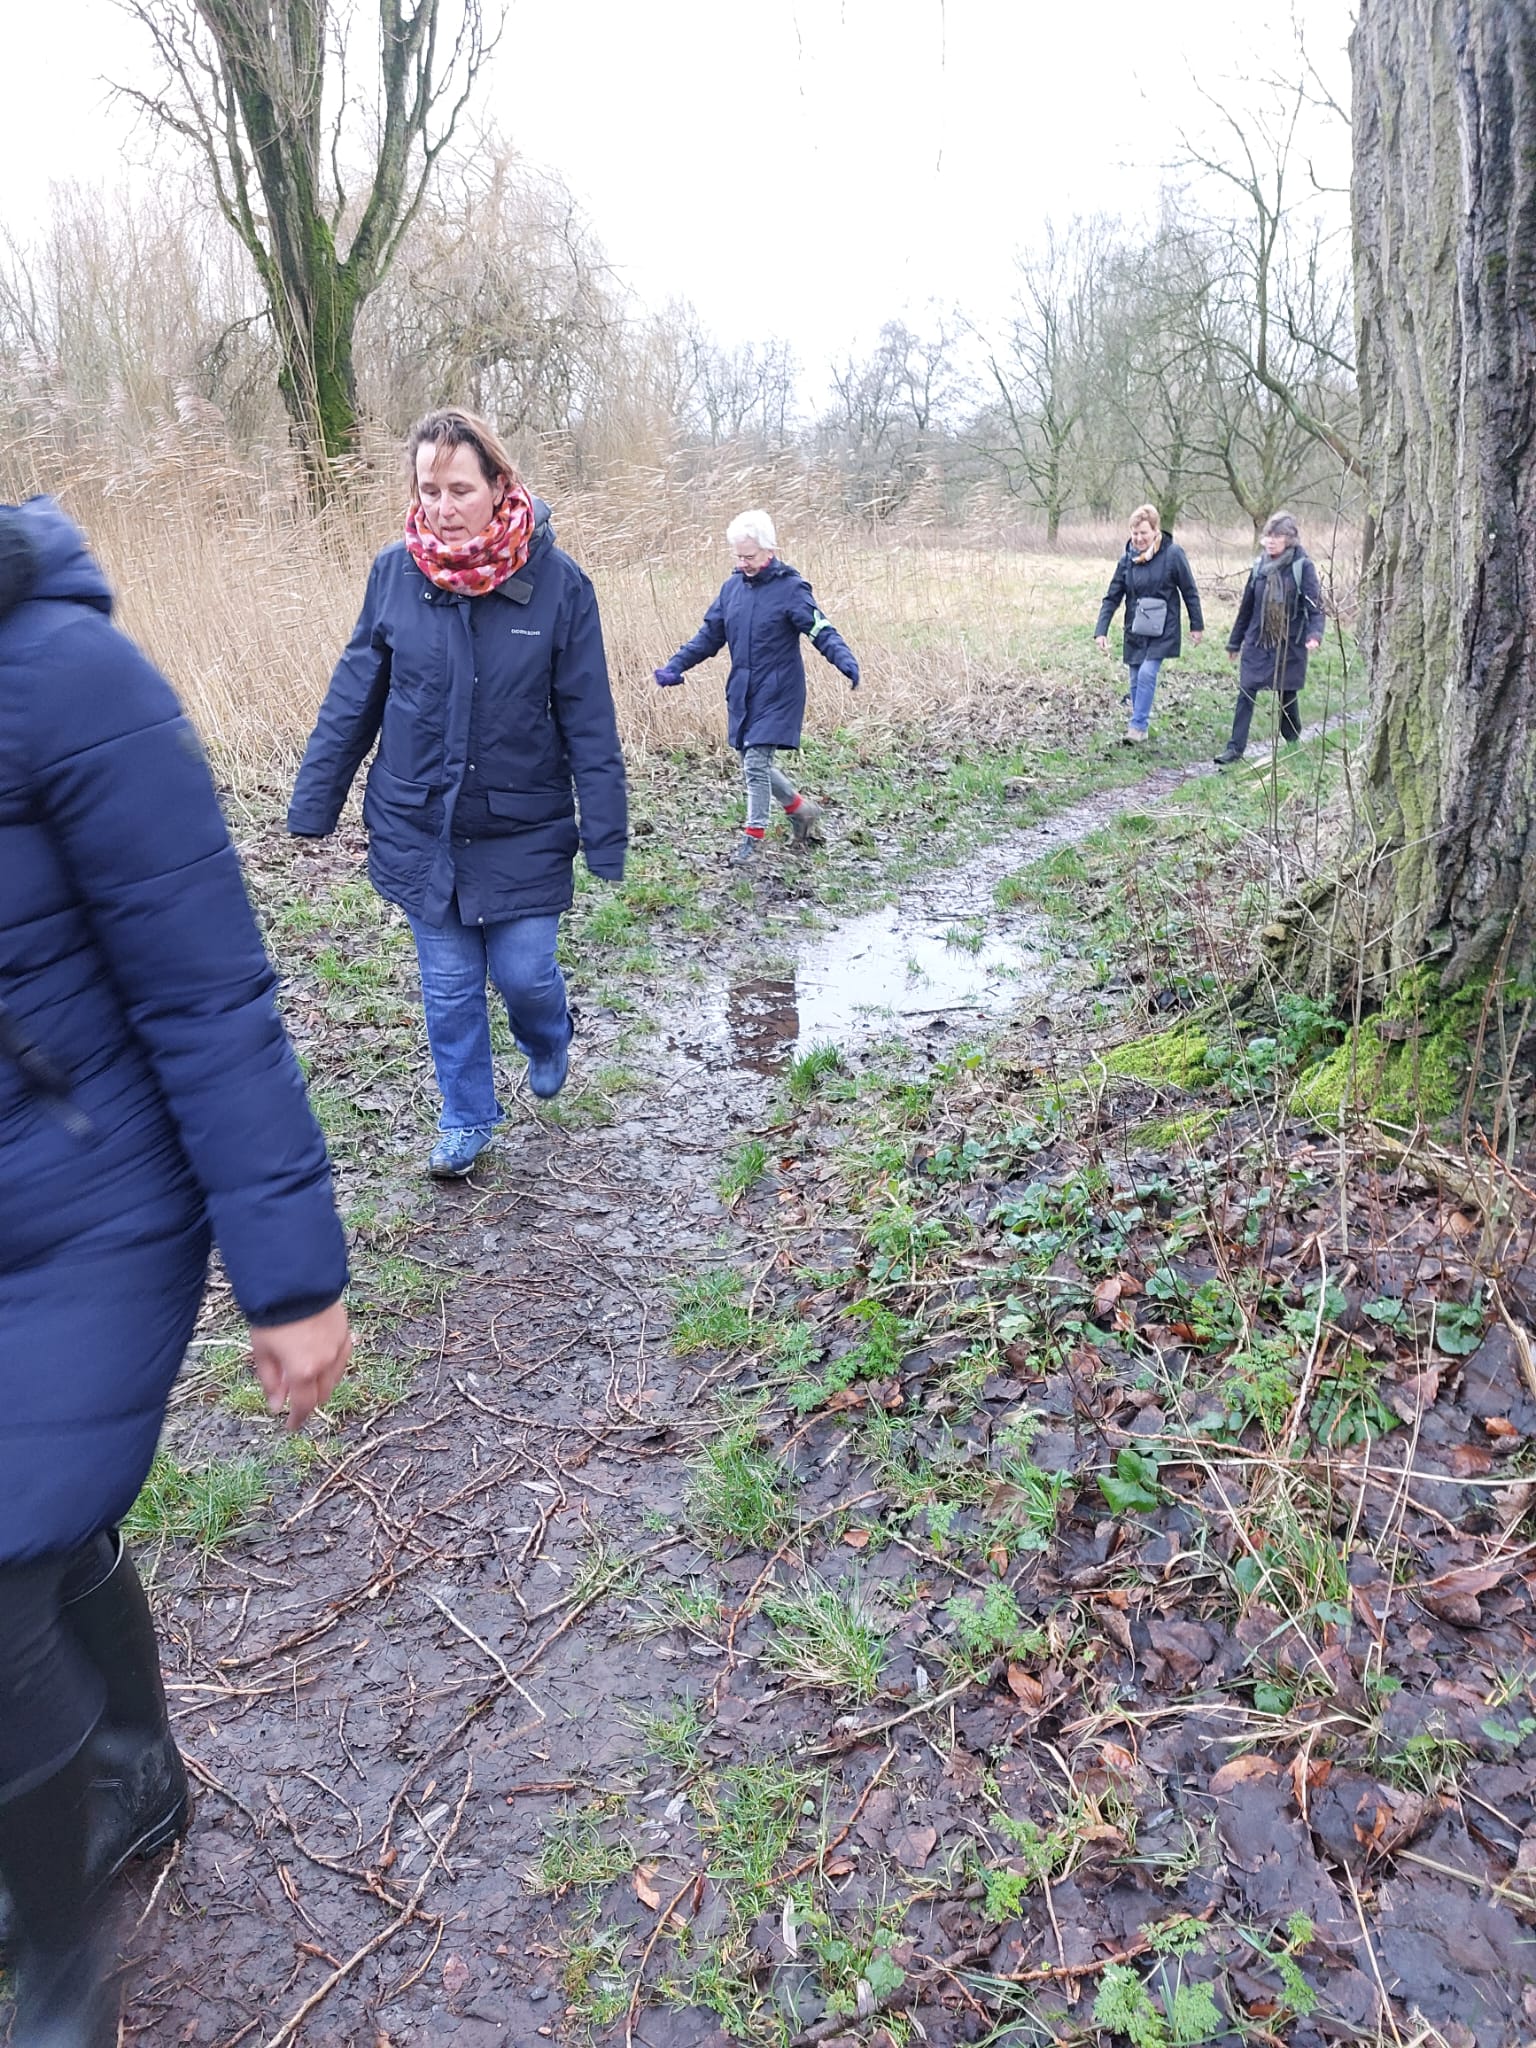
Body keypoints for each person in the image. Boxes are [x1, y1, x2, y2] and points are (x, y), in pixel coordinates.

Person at [0, 497, 352, 2046]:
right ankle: (134, 1775)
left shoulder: (72, 679)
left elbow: (211, 995)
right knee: (44, 1530)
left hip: (93, 1199)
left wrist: (291, 1281)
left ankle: (61, 1967)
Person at [289, 408, 628, 1180]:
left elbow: (589, 719)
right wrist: (316, 802)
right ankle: (466, 1117)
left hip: (523, 825)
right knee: (447, 990)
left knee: (524, 973)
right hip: (420, 825)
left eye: (459, 489)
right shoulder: (395, 573)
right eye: (428, 489)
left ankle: (547, 1033)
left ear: (499, 483)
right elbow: (354, 696)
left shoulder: (559, 586)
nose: (441, 507)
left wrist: (605, 833)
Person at [653, 510, 860, 864]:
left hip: (780, 690)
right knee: (752, 761)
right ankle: (801, 809)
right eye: (738, 556)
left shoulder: (791, 589)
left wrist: (845, 661)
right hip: (743, 688)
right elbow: (709, 636)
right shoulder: (731, 589)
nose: (743, 563)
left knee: (755, 763)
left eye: (749, 556)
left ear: (769, 550)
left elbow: (820, 630)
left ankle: (754, 837)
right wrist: (676, 665)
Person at [1214, 511, 1325, 765]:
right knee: (1246, 690)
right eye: (1268, 536)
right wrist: (1234, 641)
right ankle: (1234, 749)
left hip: (1289, 642)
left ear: (1290, 539)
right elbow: (1246, 607)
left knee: (1286, 695)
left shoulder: (1301, 566)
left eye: (1277, 536)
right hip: (1258, 640)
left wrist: (1315, 634)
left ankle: (1292, 741)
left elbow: (1315, 606)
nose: (1271, 541)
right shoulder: (1259, 566)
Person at [1093, 503, 1204, 743]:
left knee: (1146, 674)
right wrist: (1100, 630)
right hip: (1135, 628)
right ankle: (1140, 728)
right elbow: (1112, 596)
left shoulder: (1173, 554)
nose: (1139, 538)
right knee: (1134, 679)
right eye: (1134, 533)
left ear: (1155, 531)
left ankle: (1137, 725)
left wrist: (1197, 625)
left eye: (1143, 532)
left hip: (1164, 628)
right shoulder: (1127, 560)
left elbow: (1189, 591)